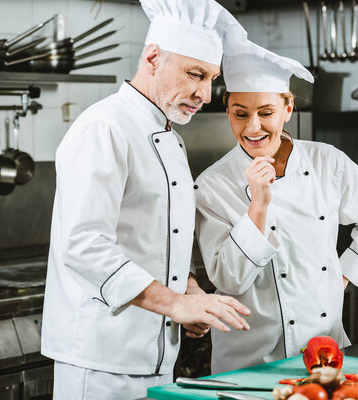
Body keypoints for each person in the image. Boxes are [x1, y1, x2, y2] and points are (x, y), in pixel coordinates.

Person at [41, 1, 251, 398]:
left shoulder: (170, 136)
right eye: (196, 74)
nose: (205, 94)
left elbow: (154, 239)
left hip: (156, 355)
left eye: (211, 78)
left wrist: (188, 291)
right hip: (101, 360)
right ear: (153, 58)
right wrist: (173, 304)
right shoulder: (104, 128)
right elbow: (83, 245)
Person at [194, 37, 358, 374]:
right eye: (240, 114)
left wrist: (344, 275)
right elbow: (229, 280)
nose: (252, 127)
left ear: (288, 109)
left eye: (266, 113)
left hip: (324, 347)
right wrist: (258, 204)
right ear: (228, 111)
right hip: (248, 359)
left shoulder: (326, 161)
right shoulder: (212, 184)